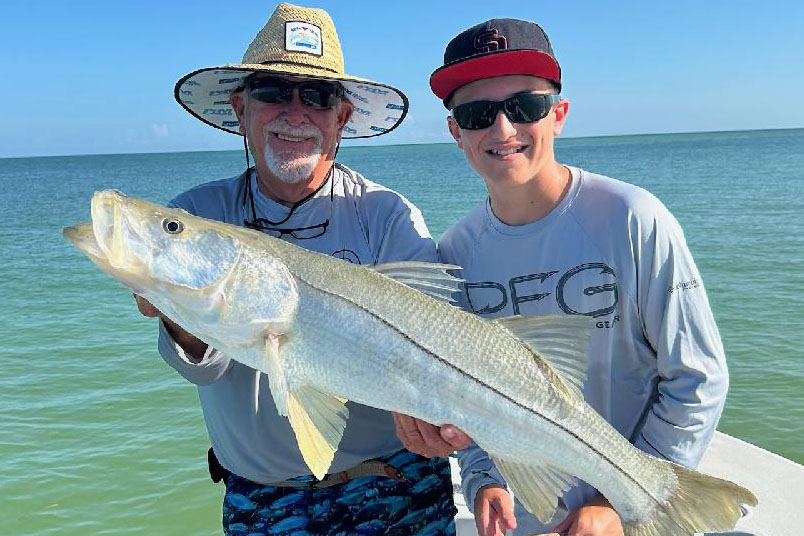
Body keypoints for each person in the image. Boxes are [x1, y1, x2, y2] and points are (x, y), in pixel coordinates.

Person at [396, 17, 728, 536]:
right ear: (455, 132)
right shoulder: (453, 253)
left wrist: (619, 506)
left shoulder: (633, 218)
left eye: (524, 106)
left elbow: (697, 378)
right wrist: (484, 480)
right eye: (477, 113)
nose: (502, 129)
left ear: (559, 115)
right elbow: (469, 396)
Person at [135, 3, 457, 535]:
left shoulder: (387, 216)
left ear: (342, 117)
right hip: (259, 497)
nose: (295, 112)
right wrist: (176, 315)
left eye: (317, 96)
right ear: (241, 109)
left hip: (397, 487)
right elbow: (204, 368)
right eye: (272, 92)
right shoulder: (194, 217)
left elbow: (440, 346)